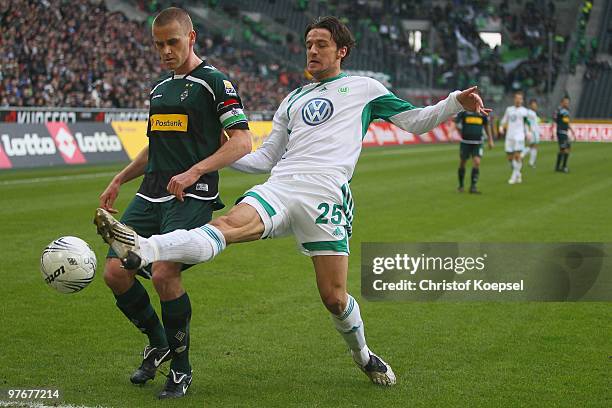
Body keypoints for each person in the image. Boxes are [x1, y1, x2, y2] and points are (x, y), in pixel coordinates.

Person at [95, 16, 489, 389]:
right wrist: (216, 148)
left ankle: (364, 355)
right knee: (226, 226)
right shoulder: (293, 99)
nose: (312, 51)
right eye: (308, 45)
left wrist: (455, 101)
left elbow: (415, 120)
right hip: (281, 185)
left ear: (341, 52)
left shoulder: (365, 89)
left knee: (334, 298)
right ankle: (145, 248)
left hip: (326, 193)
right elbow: (265, 159)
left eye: (322, 45)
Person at [97, 7, 252, 399]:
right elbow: (155, 147)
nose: (166, 51)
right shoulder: (159, 90)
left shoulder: (215, 83)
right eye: (159, 44)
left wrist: (195, 171)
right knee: (115, 272)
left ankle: (181, 370)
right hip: (150, 193)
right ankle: (158, 341)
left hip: (192, 194)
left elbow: (241, 141)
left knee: (165, 273)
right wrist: (119, 178)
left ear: (191, 38)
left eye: (173, 42)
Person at [454, 107, 494, 194]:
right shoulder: (464, 112)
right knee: (462, 162)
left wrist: (490, 140)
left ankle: (473, 186)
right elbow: (456, 122)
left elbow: (486, 125)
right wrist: (460, 132)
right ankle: (461, 186)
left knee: (477, 162)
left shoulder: (482, 112)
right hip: (465, 142)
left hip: (478, 142)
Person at [499, 91, 531, 184]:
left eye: (520, 98)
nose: (518, 100)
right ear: (514, 99)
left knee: (517, 156)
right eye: (516, 98)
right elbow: (504, 120)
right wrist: (501, 127)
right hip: (510, 136)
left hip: (519, 136)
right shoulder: (509, 109)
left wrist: (528, 132)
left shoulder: (524, 111)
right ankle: (518, 174)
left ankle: (513, 177)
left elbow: (526, 123)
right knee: (510, 158)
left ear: (522, 100)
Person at [553, 96, 576, 172]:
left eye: (568, 102)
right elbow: (554, 118)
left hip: (565, 132)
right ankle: (564, 167)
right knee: (565, 149)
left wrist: (572, 130)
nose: (567, 103)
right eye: (565, 102)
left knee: (564, 149)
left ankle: (557, 167)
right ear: (562, 102)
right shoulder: (559, 110)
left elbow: (566, 121)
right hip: (560, 131)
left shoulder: (567, 111)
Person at [522, 99, 541, 168]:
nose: (535, 106)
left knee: (533, 146)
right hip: (532, 132)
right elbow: (526, 121)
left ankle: (531, 162)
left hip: (534, 132)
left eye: (535, 105)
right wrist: (528, 131)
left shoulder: (533, 113)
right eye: (533, 105)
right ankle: (522, 155)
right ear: (530, 106)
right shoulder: (529, 113)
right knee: (533, 146)